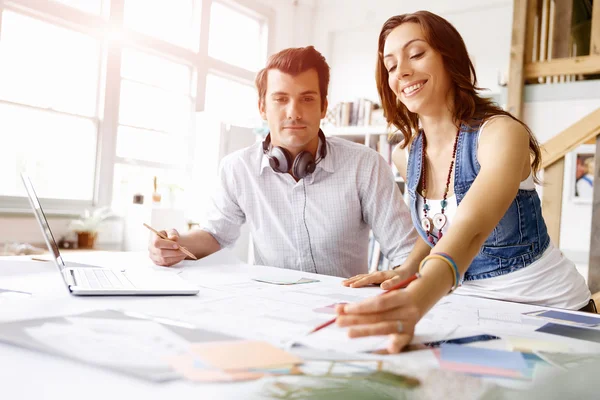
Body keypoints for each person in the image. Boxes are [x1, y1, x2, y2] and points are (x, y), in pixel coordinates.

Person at [336, 11, 592, 353]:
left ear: (449, 58)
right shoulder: (406, 154)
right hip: (473, 312)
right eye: (391, 65)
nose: (403, 72)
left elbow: (470, 229)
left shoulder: (500, 134)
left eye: (416, 54)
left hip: (551, 313)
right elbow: (442, 226)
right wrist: (407, 269)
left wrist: (418, 299)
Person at [147, 46, 419, 278]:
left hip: (343, 310)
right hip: (271, 307)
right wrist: (175, 244)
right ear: (262, 107)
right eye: (280, 99)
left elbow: (404, 251)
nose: (294, 113)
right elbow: (216, 235)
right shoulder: (237, 168)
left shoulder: (365, 165)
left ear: (324, 107)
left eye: (307, 99)